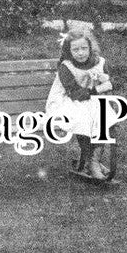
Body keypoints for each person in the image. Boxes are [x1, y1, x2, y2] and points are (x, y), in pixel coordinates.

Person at [45, 31, 117, 180]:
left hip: (89, 99)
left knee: (103, 115)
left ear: (90, 47)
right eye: (75, 50)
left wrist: (106, 79)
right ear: (69, 51)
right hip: (66, 101)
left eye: (84, 48)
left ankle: (93, 161)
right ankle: (92, 162)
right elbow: (75, 93)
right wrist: (99, 88)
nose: (80, 53)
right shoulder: (66, 66)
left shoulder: (100, 62)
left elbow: (111, 83)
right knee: (83, 117)